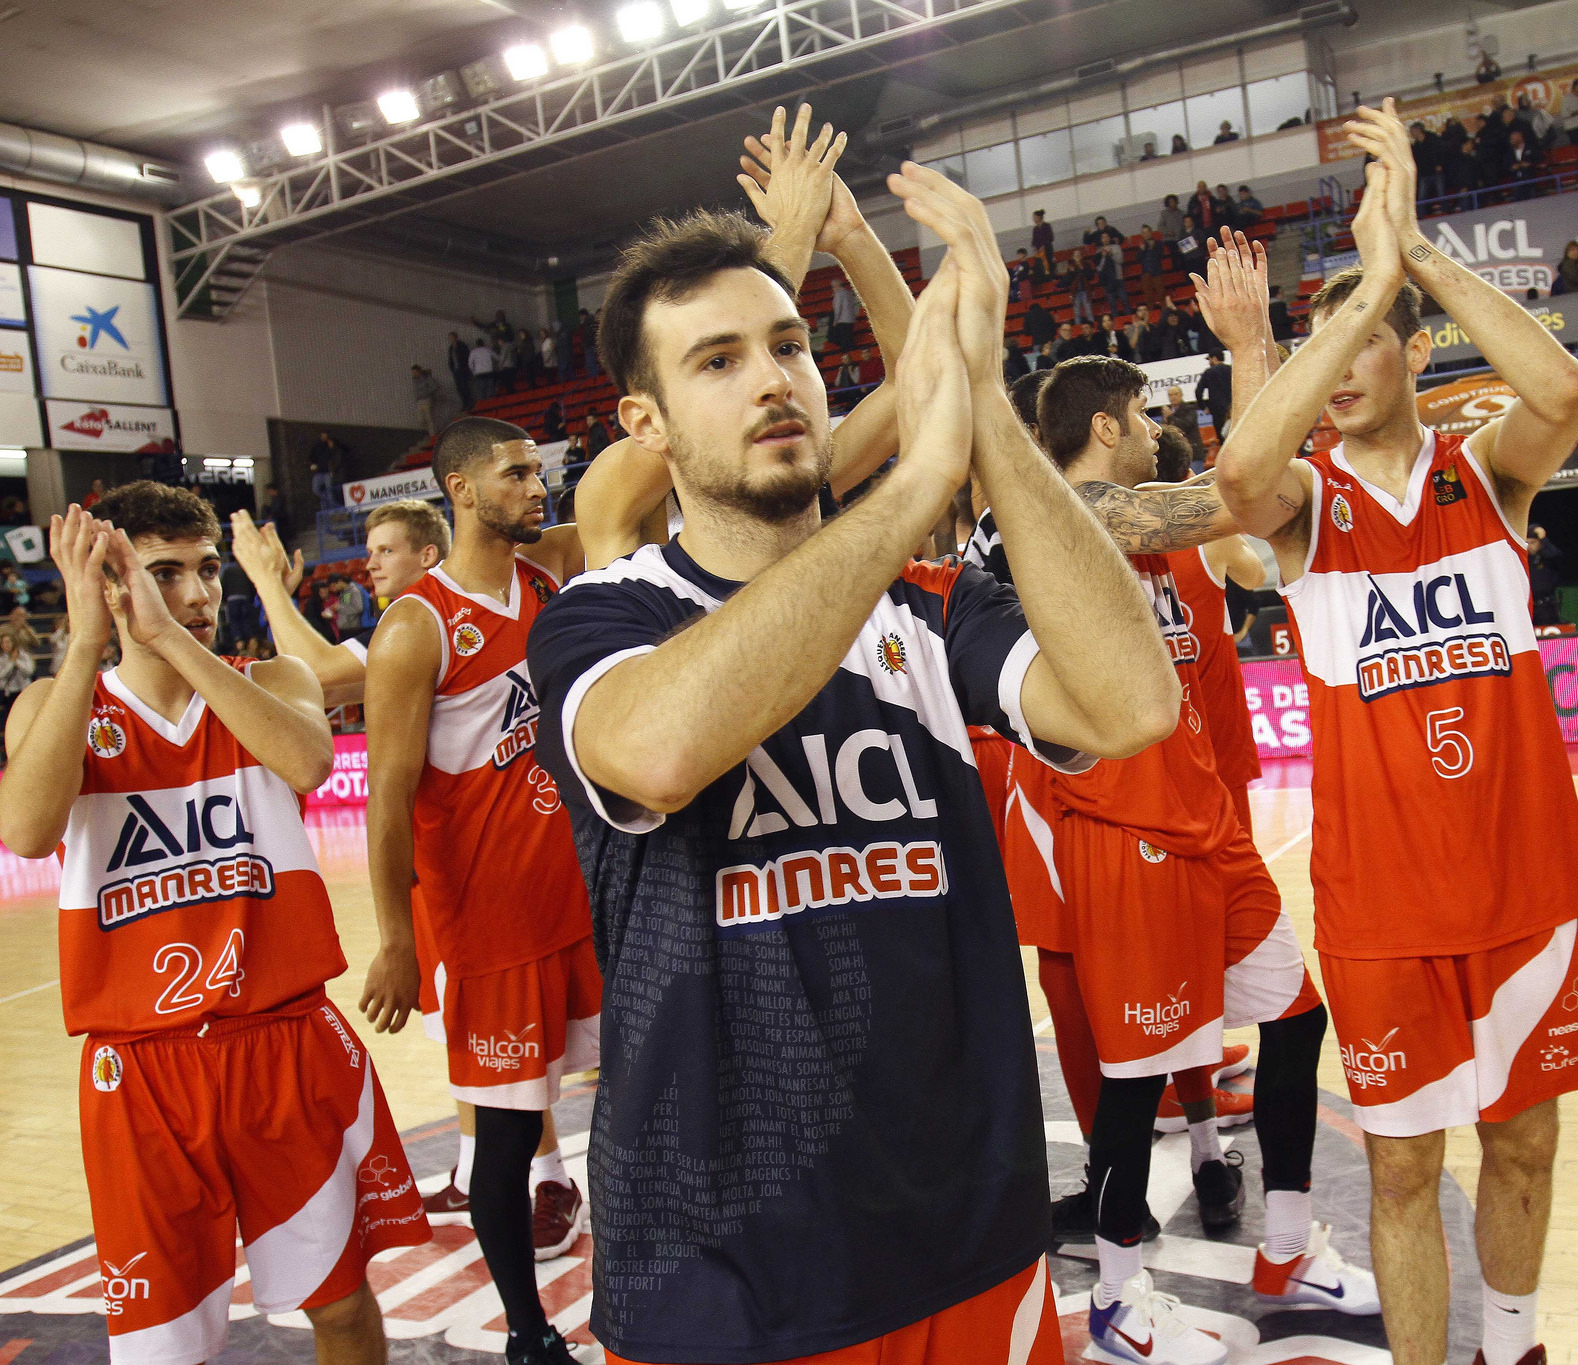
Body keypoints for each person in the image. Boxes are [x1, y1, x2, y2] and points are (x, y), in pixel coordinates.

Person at [525, 136, 1189, 1362]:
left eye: (787, 347)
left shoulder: (926, 609)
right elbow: (661, 749)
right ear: (645, 423)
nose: (772, 379)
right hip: (727, 1278)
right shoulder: (599, 618)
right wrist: (915, 474)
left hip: (970, 1239)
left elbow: (1130, 705)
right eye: (716, 362)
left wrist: (978, 398)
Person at [1215, 99, 1578, 1365]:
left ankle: (1516, 1342)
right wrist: (1322, 313)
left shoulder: (1483, 469)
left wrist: (1412, 255)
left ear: (1413, 350)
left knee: (1526, 1140)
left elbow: (1563, 389)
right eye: (1320, 357)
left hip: (1522, 886)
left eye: (1362, 348)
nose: (1336, 377)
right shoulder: (1304, 510)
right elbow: (1233, 477)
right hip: (1383, 907)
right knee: (1397, 1171)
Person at [0, 488, 430, 1365]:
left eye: (205, 571)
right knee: (163, 1347)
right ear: (111, 586)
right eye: (164, 574)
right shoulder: (54, 701)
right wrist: (89, 644)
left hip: (284, 1044)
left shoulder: (273, 681)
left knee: (342, 1308)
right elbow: (27, 830)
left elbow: (310, 759)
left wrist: (164, 639)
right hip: (144, 1072)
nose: (196, 596)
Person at [1036, 349, 1375, 1361]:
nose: (1151, 429)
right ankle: (1118, 1296)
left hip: (1208, 824)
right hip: (1125, 832)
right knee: (1136, 1080)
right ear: (1104, 428)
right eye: (1141, 414)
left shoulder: (1154, 530)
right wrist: (1255, 362)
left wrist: (1249, 359)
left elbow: (1241, 505)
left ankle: (1282, 1246)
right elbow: (1240, 497)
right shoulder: (1069, 519)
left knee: (1297, 1014)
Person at [359, 416, 597, 1365]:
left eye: (538, 470)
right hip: (492, 931)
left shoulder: (548, 581)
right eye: (516, 472)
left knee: (632, 1101)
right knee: (501, 1143)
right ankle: (528, 1331)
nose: (537, 486)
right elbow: (384, 802)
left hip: (582, 907)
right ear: (461, 489)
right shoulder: (417, 625)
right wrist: (396, 939)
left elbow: (628, 482)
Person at [1527, 524, 1564, 625]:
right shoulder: (1524, 559)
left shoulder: (1547, 557)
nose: (1530, 546)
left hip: (1546, 606)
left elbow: (1556, 556)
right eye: (1527, 543)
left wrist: (1544, 539)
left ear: (1539, 543)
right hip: (1528, 607)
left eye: (1533, 543)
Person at [1195, 349, 1232, 439]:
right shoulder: (1231, 369)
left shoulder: (1209, 372)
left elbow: (1198, 391)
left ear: (1214, 358)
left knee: (1223, 439)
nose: (1209, 362)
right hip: (1234, 410)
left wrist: (1204, 407)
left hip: (1217, 412)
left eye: (1209, 359)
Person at [1160, 383, 1203, 454]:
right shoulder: (1168, 412)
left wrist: (1170, 416)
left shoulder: (1189, 409)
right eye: (1170, 395)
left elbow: (1185, 426)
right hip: (1175, 451)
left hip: (1192, 449)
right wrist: (1165, 421)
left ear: (1181, 395)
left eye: (1176, 394)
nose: (1173, 397)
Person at [449, 330, 475, 409]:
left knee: (465, 386)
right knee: (459, 388)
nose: (450, 339)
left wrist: (466, 367)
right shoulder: (451, 348)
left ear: (456, 337)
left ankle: (470, 402)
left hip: (462, 369)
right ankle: (465, 403)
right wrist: (452, 368)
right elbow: (451, 359)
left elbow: (467, 356)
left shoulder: (462, 346)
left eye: (452, 337)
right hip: (456, 370)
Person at [411, 364, 439, 433]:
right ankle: (428, 431)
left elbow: (435, 386)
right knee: (420, 420)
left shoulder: (426, 378)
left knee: (429, 418)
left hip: (426, 400)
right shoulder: (414, 380)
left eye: (415, 372)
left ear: (419, 372)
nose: (413, 374)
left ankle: (433, 434)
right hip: (419, 401)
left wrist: (427, 392)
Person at [469, 335, 496, 401]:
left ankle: (483, 402)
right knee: (490, 386)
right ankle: (492, 399)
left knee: (481, 388)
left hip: (479, 372)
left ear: (476, 344)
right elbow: (497, 357)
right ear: (483, 343)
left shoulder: (473, 352)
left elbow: (470, 363)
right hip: (488, 370)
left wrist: (473, 371)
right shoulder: (487, 350)